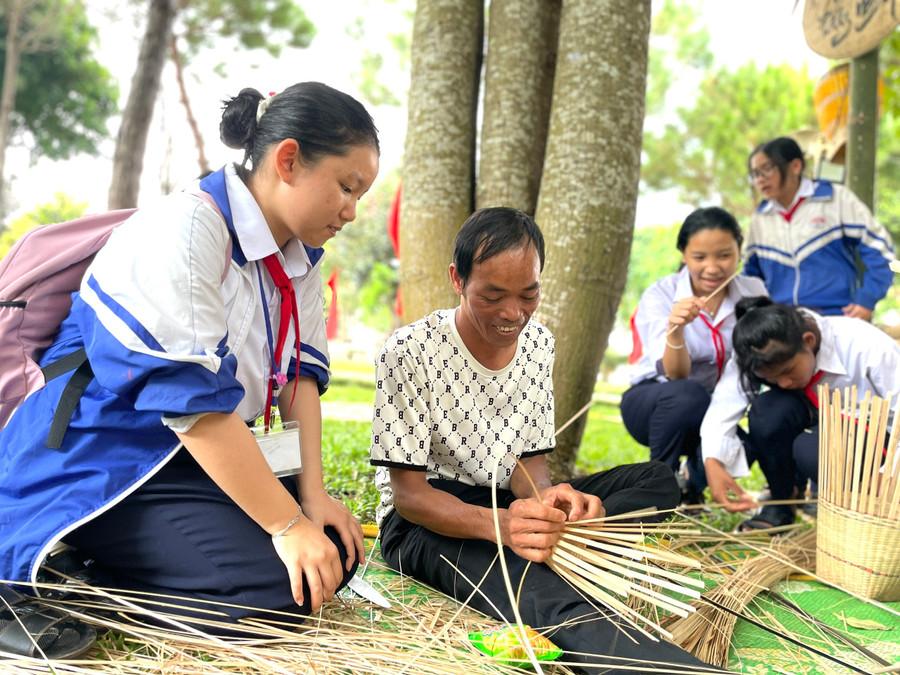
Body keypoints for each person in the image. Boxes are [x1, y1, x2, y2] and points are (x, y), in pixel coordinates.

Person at [0, 82, 379, 632]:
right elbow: (193, 406)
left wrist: (311, 498)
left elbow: (298, 379)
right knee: (275, 592)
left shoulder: (298, 257)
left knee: (333, 553)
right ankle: (67, 561)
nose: (351, 211)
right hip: (105, 450)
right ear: (289, 159)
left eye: (360, 195)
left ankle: (122, 563)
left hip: (187, 454)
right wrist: (286, 524)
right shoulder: (186, 227)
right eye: (347, 187)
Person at [369, 207, 708, 673]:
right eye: (492, 296)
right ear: (457, 279)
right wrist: (504, 527)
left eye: (529, 294)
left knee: (658, 480)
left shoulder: (538, 344)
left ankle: (581, 532)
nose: (513, 314)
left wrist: (554, 502)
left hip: (509, 501)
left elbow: (530, 467)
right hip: (428, 520)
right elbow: (409, 498)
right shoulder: (409, 351)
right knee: (547, 598)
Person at [700, 297, 900, 531]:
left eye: (788, 371)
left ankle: (863, 515)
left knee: (813, 450)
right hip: (816, 419)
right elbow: (725, 402)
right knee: (768, 413)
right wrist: (713, 461)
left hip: (879, 438)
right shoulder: (753, 351)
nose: (783, 383)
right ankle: (783, 502)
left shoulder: (864, 344)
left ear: (808, 340)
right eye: (771, 379)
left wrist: (888, 475)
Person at [620, 207, 766, 503]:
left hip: (713, 407)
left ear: (739, 250)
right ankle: (657, 485)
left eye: (724, 255)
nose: (712, 268)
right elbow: (676, 375)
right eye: (700, 258)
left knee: (744, 446)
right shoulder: (661, 295)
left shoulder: (754, 294)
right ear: (684, 255)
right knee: (687, 394)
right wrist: (675, 330)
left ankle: (690, 488)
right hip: (654, 403)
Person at [744, 136, 895, 320]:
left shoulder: (835, 199)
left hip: (838, 319)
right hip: (784, 327)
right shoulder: (760, 219)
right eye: (755, 174)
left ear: (796, 166)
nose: (760, 180)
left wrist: (866, 300)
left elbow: (882, 252)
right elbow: (749, 279)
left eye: (766, 169)